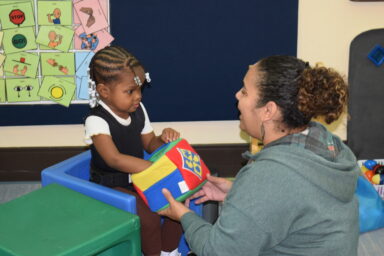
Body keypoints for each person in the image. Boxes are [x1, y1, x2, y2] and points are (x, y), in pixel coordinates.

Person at [159, 55, 360, 256]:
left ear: (268, 111)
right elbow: (295, 200)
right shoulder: (327, 144)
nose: (237, 95)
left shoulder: (269, 175)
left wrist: (184, 216)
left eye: (245, 91)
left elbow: (217, 251)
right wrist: (237, 192)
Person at [85, 46, 183, 256]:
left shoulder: (138, 109)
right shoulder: (96, 120)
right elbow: (114, 159)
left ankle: (169, 250)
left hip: (138, 179)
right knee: (149, 218)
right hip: (110, 184)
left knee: (179, 198)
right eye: (130, 91)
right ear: (104, 91)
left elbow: (150, 144)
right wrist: (153, 168)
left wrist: (164, 139)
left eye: (140, 89)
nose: (138, 96)